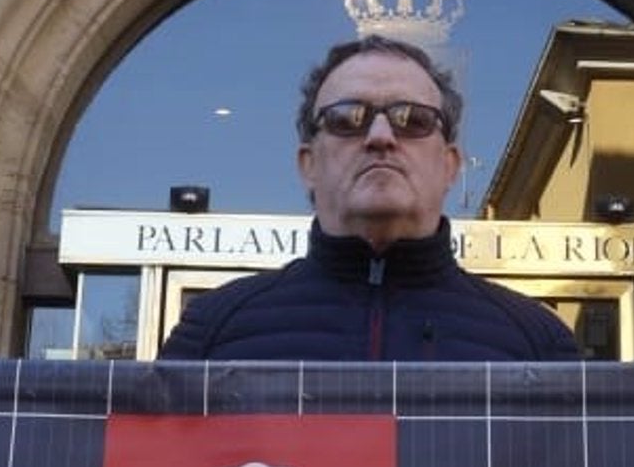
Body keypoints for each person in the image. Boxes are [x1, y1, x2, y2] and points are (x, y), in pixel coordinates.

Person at [158, 34, 580, 361]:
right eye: (348, 119)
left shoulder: (538, 343)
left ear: (450, 164)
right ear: (309, 164)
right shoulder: (212, 334)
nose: (380, 137)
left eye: (412, 119)